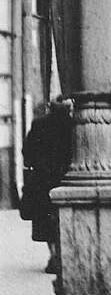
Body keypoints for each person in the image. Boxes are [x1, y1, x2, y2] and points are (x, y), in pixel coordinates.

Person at [19, 99, 73, 274]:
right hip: (66, 178)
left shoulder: (39, 123)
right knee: (65, 216)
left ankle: (54, 255)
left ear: (50, 108)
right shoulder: (72, 125)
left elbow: (27, 149)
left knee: (45, 218)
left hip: (43, 179)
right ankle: (64, 257)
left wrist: (35, 164)